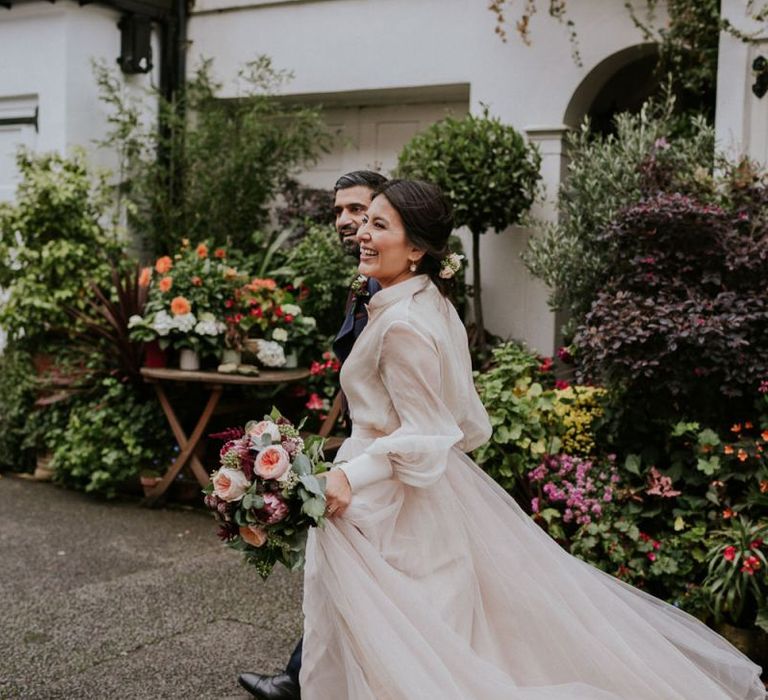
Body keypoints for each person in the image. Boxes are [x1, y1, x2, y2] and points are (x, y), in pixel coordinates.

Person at [301, 179, 765, 699]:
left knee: (401, 659)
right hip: (422, 499)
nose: (362, 233)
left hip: (386, 507)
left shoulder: (403, 324)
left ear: (416, 250)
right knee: (422, 653)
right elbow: (462, 422)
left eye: (378, 224)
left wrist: (348, 473)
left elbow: (429, 430)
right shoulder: (428, 301)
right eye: (366, 221)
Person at [238, 170, 387, 700]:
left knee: (357, 573)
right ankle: (306, 677)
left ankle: (302, 680)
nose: (346, 221)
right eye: (339, 211)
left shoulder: (391, 287)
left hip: (382, 456)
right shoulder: (365, 278)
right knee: (349, 573)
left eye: (358, 210)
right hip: (364, 445)